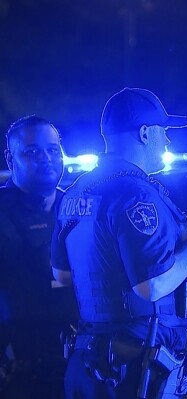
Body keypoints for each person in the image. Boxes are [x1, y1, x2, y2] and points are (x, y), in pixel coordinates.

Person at [51, 88, 187, 398]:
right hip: (131, 370)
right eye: (163, 131)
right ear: (144, 133)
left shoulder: (75, 191)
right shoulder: (137, 195)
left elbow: (63, 275)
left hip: (89, 361)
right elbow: (150, 286)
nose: (167, 141)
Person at [0, 115, 78, 398]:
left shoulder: (78, 208)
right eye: (32, 151)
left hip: (78, 366)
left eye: (53, 149)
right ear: (11, 159)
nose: (45, 158)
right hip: (19, 374)